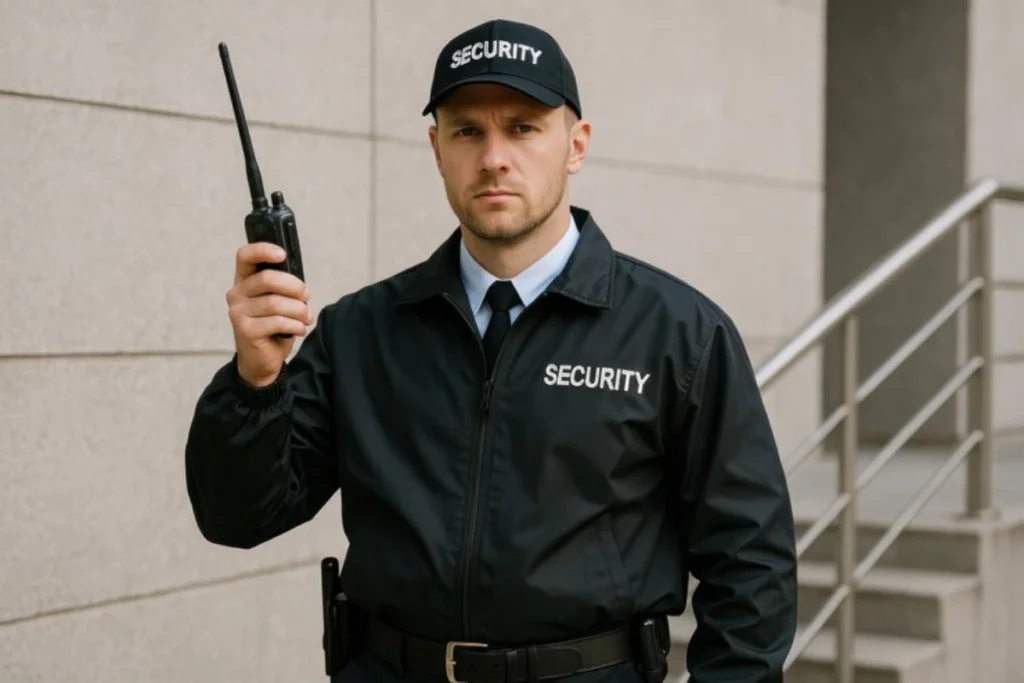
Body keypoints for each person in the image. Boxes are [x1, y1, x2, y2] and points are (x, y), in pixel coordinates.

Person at [184, 17, 798, 683]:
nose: (494, 157)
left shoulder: (677, 333)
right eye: (467, 131)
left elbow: (751, 565)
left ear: (576, 145)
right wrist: (255, 381)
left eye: (523, 127)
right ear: (437, 147)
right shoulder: (360, 332)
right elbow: (237, 517)